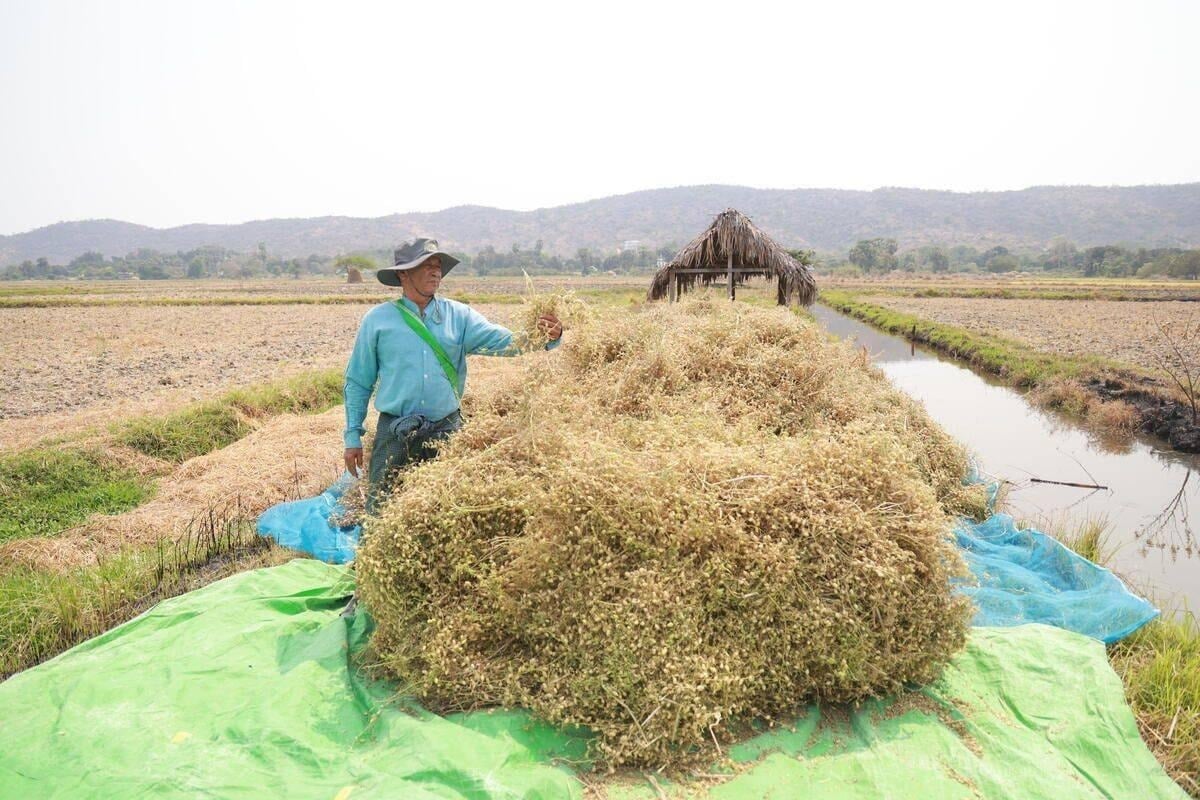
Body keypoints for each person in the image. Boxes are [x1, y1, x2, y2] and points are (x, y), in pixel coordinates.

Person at [343, 237, 563, 511]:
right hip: (395, 432)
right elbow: (358, 382)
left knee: (447, 508)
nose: (435, 271)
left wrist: (546, 336)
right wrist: (352, 437)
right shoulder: (378, 320)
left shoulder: (459, 316)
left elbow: (505, 342)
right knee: (382, 509)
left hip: (446, 429)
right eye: (426, 265)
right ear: (403, 273)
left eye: (438, 265)